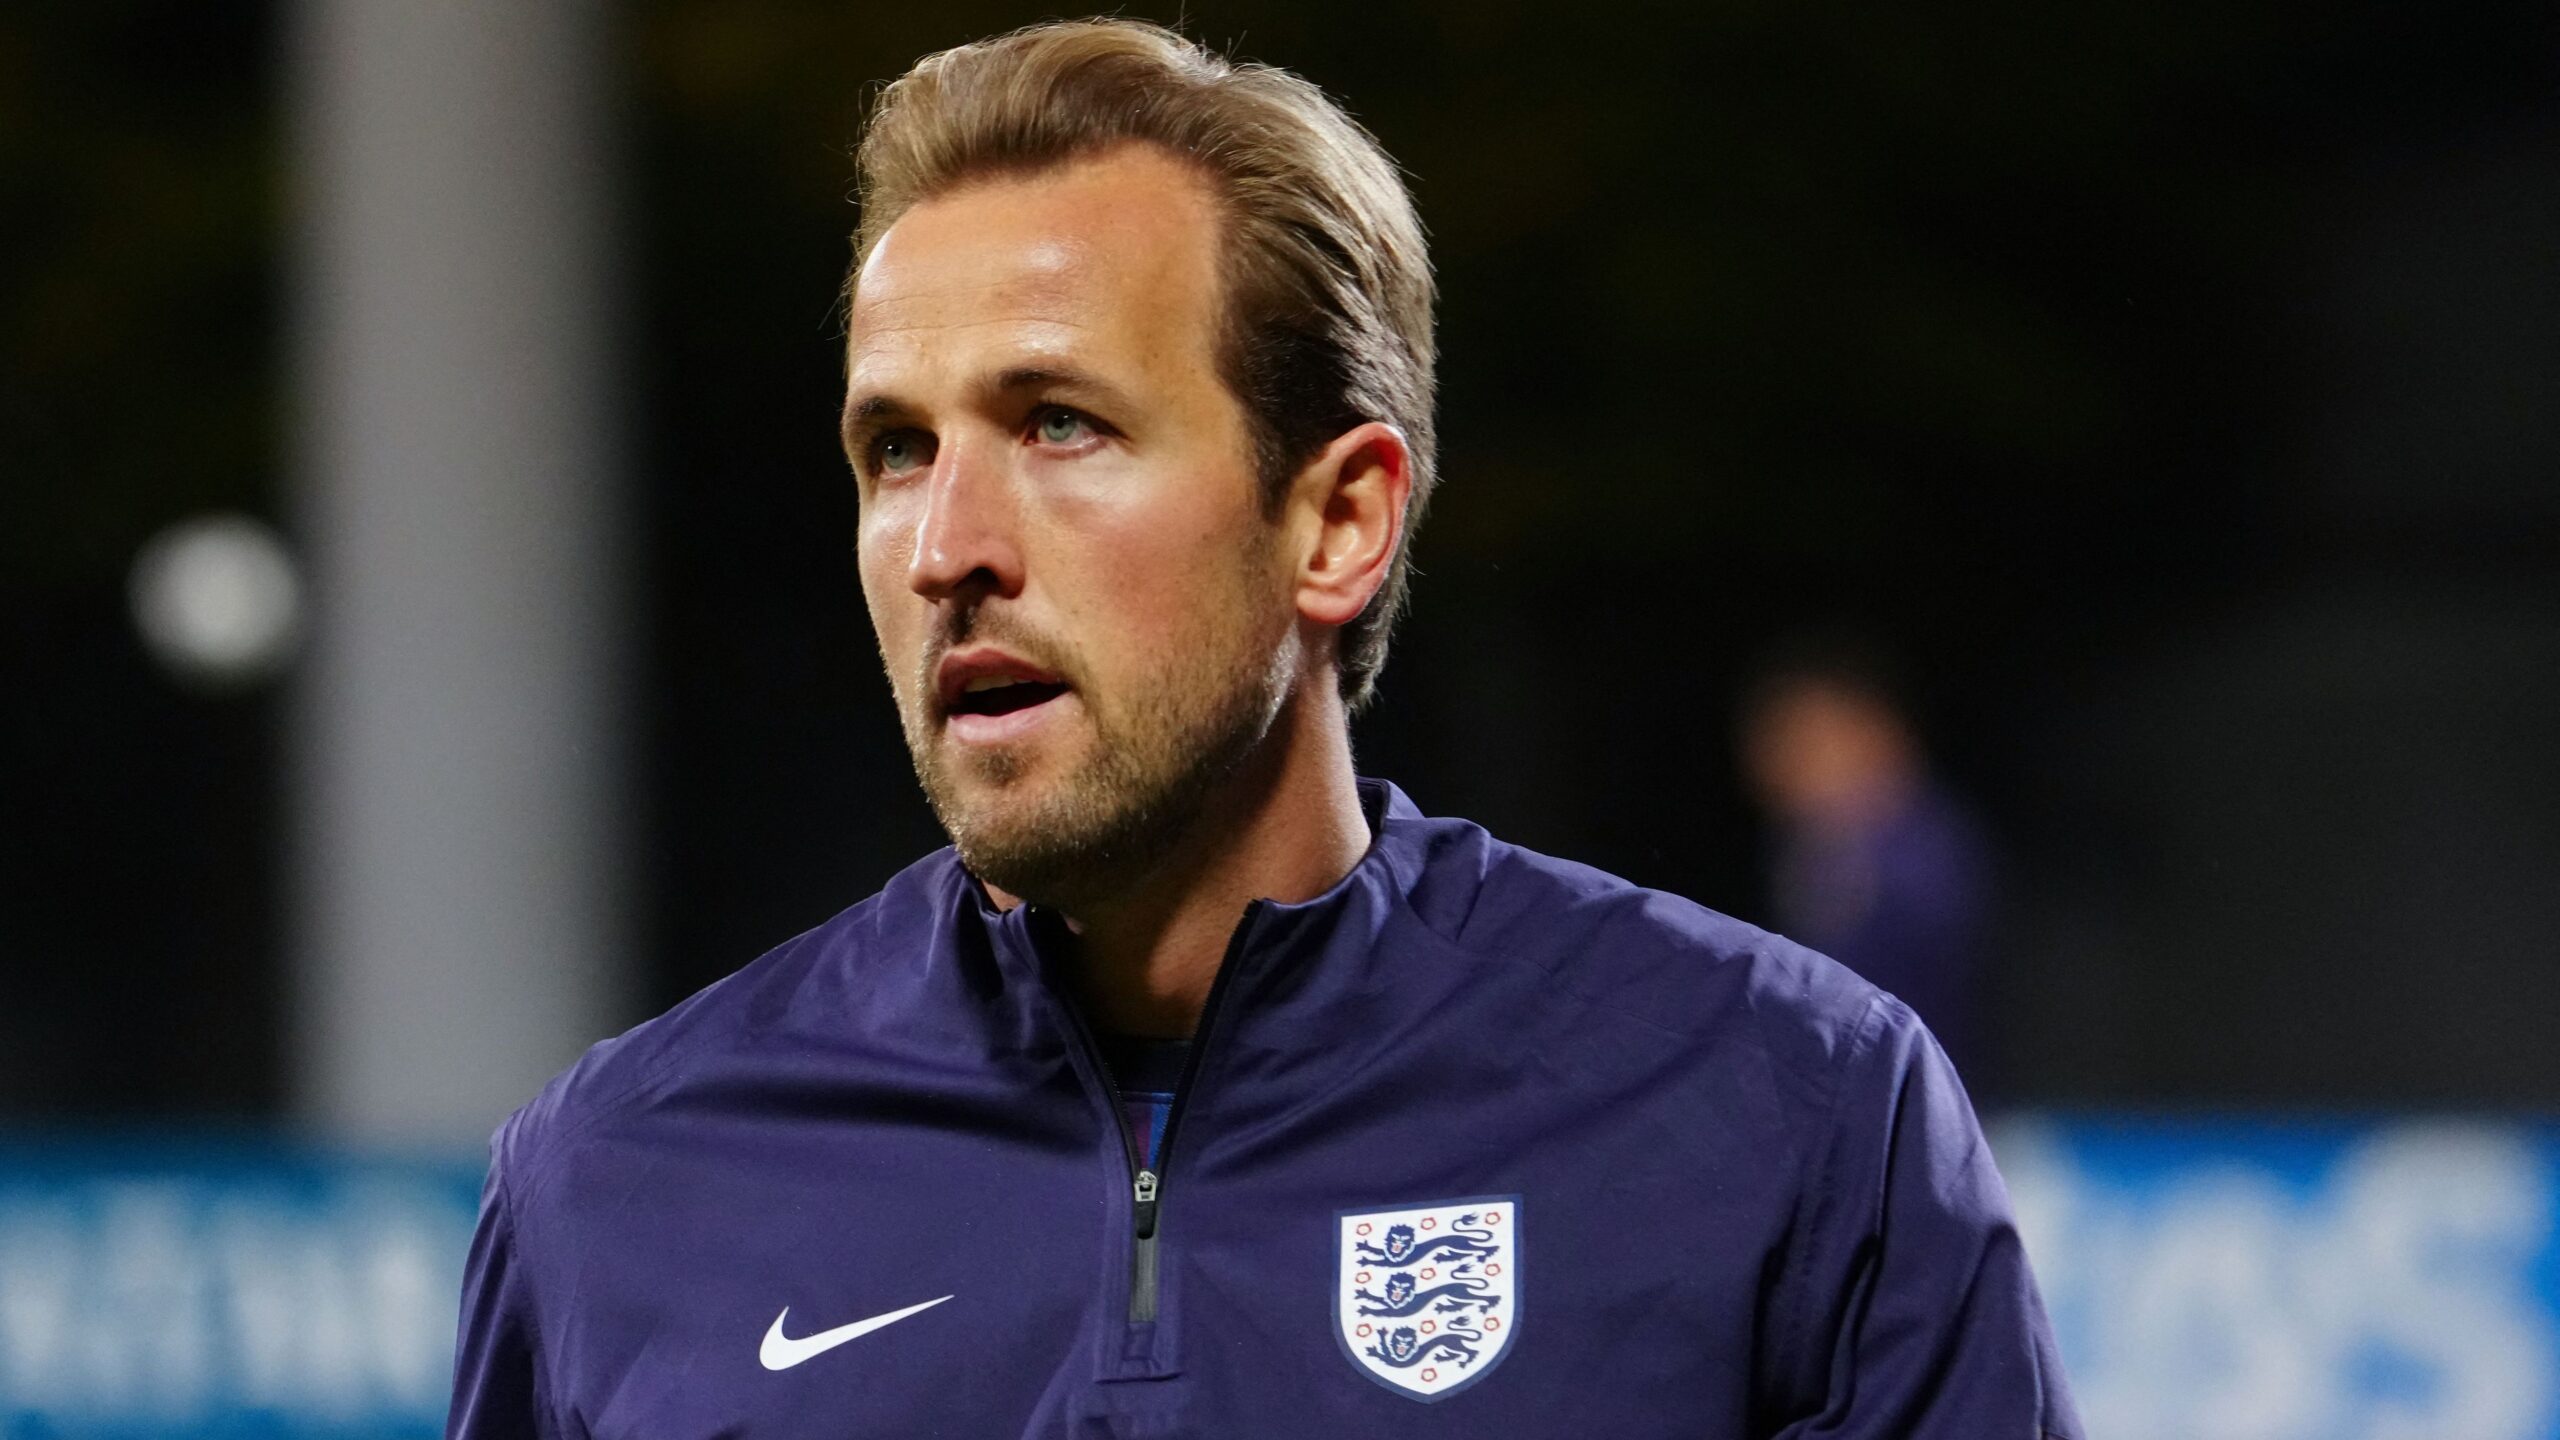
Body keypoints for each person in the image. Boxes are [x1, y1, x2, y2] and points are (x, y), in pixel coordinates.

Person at [448, 20, 2080, 1439]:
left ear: (1338, 522)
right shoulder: (615, 1190)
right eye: (897, 449)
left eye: (1060, 423)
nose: (947, 546)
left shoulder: (1786, 1121)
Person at [1737, 643, 1998, 1081]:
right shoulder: (1818, 848)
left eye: (1808, 739)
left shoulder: (1921, 856)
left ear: (1876, 733)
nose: (1779, 762)